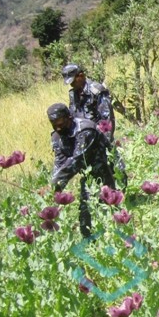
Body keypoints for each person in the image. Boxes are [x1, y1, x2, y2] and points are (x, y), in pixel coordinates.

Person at [48, 103, 116, 237]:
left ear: (69, 117)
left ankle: (113, 240)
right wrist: (54, 187)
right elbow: (60, 163)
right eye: (54, 123)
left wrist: (54, 183)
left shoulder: (85, 130)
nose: (58, 127)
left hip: (106, 168)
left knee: (109, 207)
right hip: (88, 173)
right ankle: (90, 243)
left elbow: (77, 160)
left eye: (60, 122)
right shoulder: (57, 136)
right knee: (85, 214)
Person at [62, 63, 126, 187]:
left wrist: (104, 142)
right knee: (91, 175)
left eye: (73, 81)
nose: (72, 85)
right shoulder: (73, 94)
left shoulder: (96, 91)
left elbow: (107, 120)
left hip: (99, 138)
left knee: (113, 170)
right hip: (84, 139)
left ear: (81, 75)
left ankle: (122, 193)